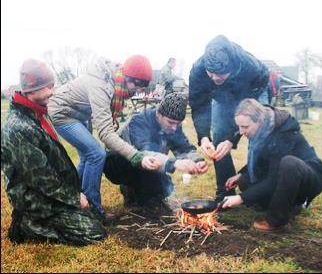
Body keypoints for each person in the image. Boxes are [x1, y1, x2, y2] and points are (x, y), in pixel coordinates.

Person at [1, 59, 107, 245]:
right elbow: (41, 179)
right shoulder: (18, 128)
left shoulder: (37, 114)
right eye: (48, 87)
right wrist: (74, 198)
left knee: (96, 217)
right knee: (94, 232)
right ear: (32, 90)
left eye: (53, 86)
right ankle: (26, 225)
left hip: (47, 194)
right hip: (34, 200)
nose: (53, 91)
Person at [48, 55, 161, 223]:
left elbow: (105, 120)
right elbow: (106, 134)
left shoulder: (115, 84)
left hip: (78, 114)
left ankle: (70, 198)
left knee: (88, 156)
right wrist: (136, 156)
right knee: (96, 154)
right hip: (63, 113)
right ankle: (94, 210)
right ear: (127, 77)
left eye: (143, 86)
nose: (138, 91)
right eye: (137, 85)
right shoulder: (101, 86)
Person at [189, 34, 270, 203]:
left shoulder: (249, 66)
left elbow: (247, 110)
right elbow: (199, 104)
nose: (216, 78)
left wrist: (232, 138)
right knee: (219, 140)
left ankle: (260, 189)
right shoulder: (197, 70)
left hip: (253, 92)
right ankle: (226, 191)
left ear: (232, 67)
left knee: (260, 135)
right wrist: (203, 136)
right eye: (211, 73)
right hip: (221, 97)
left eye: (221, 73)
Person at [221, 99, 322, 231]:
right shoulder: (262, 131)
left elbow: (274, 178)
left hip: (309, 176)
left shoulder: (284, 133)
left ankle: (277, 221)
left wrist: (241, 198)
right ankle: (291, 206)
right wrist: (242, 174)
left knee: (289, 163)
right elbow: (265, 161)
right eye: (239, 127)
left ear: (259, 121)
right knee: (245, 182)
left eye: (245, 127)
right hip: (284, 174)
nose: (241, 132)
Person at [103, 93, 209, 211]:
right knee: (152, 178)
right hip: (116, 165)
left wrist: (197, 160)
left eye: (178, 124)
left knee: (163, 189)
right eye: (171, 122)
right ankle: (131, 192)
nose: (174, 128)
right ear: (159, 114)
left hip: (147, 163)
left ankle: (147, 197)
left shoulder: (173, 125)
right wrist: (174, 163)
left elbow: (183, 147)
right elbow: (144, 153)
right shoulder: (139, 121)